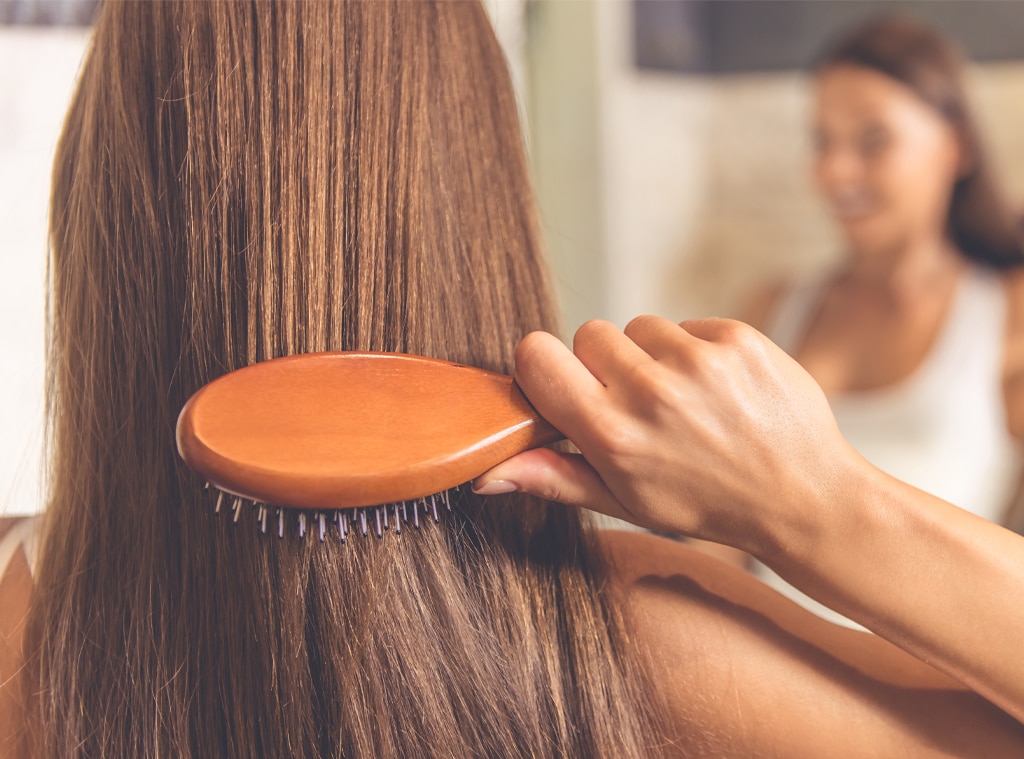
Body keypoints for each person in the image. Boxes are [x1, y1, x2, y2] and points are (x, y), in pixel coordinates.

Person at [2, 2, 1023, 757]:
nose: (837, 170)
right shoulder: (628, 647)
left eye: (871, 139)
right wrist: (821, 507)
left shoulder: (19, 608)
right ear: (471, 201)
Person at [707, 15, 1024, 625]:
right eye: (823, 142)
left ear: (955, 145)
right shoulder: (770, 311)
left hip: (921, 688)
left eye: (872, 141)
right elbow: (718, 533)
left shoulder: (1008, 313)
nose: (835, 172)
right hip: (770, 670)